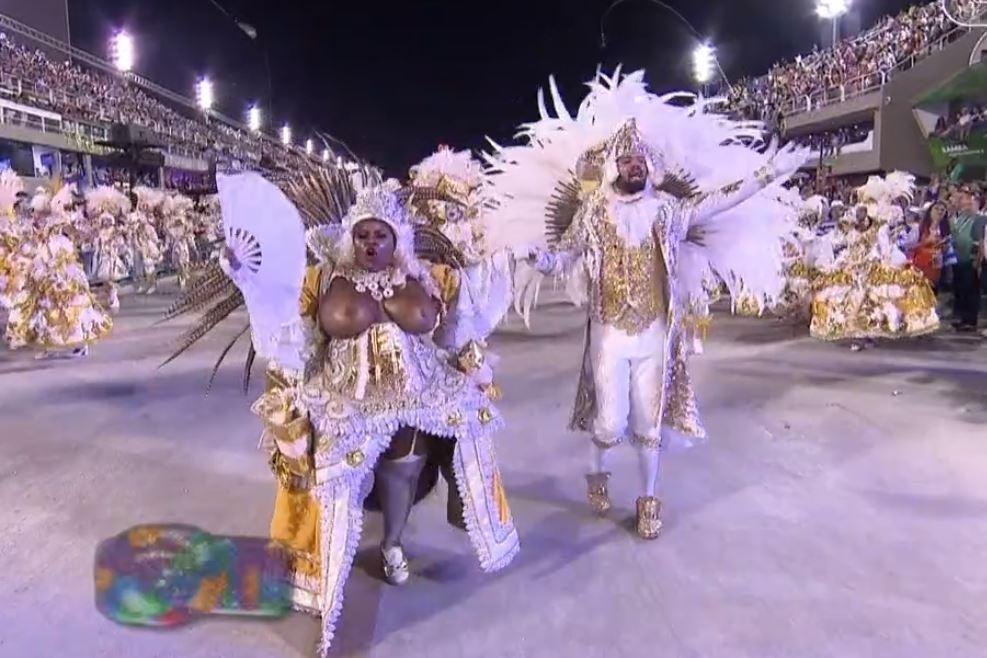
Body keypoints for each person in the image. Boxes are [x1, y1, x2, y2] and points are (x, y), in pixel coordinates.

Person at [484, 70, 805, 539]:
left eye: (641, 160)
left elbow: (719, 201)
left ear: (650, 168)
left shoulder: (670, 212)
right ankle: (598, 473)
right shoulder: (594, 212)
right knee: (610, 423)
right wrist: (539, 257)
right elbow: (565, 255)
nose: (635, 166)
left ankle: (649, 497)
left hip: (654, 332)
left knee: (649, 422)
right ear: (615, 166)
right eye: (627, 160)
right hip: (610, 333)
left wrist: (769, 172)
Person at [217, 174, 518, 655]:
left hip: (418, 392)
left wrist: (512, 254)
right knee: (335, 480)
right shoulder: (320, 278)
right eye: (362, 234)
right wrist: (245, 275)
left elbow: (464, 318)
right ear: (349, 236)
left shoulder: (428, 277)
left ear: (396, 238)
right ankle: (326, 572)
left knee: (408, 463)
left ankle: (393, 543)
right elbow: (279, 316)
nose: (371, 243)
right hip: (342, 395)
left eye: (380, 235)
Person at [811, 173, 939, 348]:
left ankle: (867, 334)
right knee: (849, 299)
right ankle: (857, 334)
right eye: (862, 208)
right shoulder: (851, 228)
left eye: (867, 208)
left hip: (871, 267)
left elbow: (884, 246)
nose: (863, 213)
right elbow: (838, 241)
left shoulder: (879, 228)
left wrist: (889, 263)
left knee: (871, 301)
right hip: (852, 267)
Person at [5, 183, 111, 357]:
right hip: (43, 270)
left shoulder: (59, 226)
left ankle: (81, 344)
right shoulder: (34, 227)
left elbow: (76, 234)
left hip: (60, 271)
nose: (34, 215)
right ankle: (48, 346)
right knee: (43, 310)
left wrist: (94, 228)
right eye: (34, 212)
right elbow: (27, 243)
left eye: (37, 212)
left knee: (70, 306)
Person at [949, 188, 987, 331]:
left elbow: (980, 241)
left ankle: (970, 320)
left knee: (971, 290)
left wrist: (976, 261)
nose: (963, 204)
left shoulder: (979, 219)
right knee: (960, 290)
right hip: (957, 259)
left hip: (970, 260)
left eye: (966, 201)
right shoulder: (960, 218)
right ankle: (962, 318)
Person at [908, 201, 950, 290]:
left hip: (936, 272)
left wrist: (944, 248)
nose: (939, 212)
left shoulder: (944, 231)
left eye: (942, 210)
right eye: (936, 208)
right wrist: (926, 241)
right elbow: (909, 247)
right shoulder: (919, 228)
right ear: (930, 211)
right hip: (919, 271)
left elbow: (945, 253)